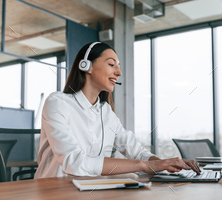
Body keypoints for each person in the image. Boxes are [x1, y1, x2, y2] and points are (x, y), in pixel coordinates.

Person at [35, 42, 200, 178]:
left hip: (91, 192)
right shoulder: (57, 103)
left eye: (118, 66)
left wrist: (166, 165)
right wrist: (146, 165)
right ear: (87, 66)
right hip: (54, 192)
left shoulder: (106, 112)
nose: (119, 72)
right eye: (111, 64)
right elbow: (74, 162)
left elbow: (135, 151)